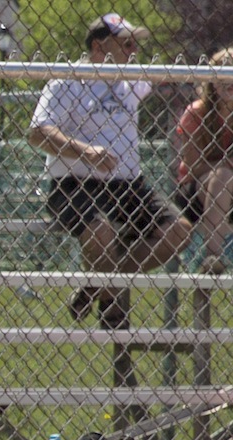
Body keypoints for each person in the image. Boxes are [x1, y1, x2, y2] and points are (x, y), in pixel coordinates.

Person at [27, 14, 191, 327]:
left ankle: (97, 283)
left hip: (128, 186)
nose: (134, 50)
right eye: (127, 43)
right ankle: (111, 306)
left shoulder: (131, 80)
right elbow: (38, 133)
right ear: (100, 47)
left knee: (179, 230)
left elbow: (166, 78)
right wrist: (85, 151)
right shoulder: (67, 80)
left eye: (135, 44)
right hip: (76, 184)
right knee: (100, 230)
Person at [173, 48, 233, 274]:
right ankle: (213, 256)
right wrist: (226, 163)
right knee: (224, 176)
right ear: (212, 80)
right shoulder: (198, 112)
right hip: (195, 190)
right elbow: (193, 166)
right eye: (223, 72)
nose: (229, 80)